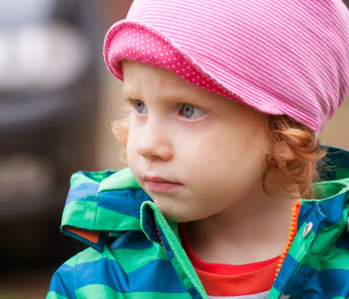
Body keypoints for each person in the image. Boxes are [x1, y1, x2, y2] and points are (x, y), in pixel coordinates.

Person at [47, 0, 349, 298]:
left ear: (284, 133)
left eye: (188, 110)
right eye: (139, 105)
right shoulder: (98, 283)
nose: (148, 145)